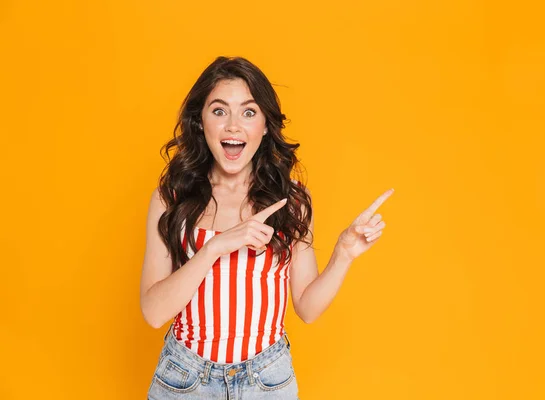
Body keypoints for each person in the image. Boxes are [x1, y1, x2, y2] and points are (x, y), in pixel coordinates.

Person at [140, 56, 393, 399]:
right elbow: (154, 313)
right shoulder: (171, 198)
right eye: (218, 111)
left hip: (266, 381)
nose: (233, 126)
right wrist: (215, 247)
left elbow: (307, 307)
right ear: (200, 122)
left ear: (264, 125)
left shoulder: (290, 200)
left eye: (248, 112)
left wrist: (344, 253)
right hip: (185, 381)